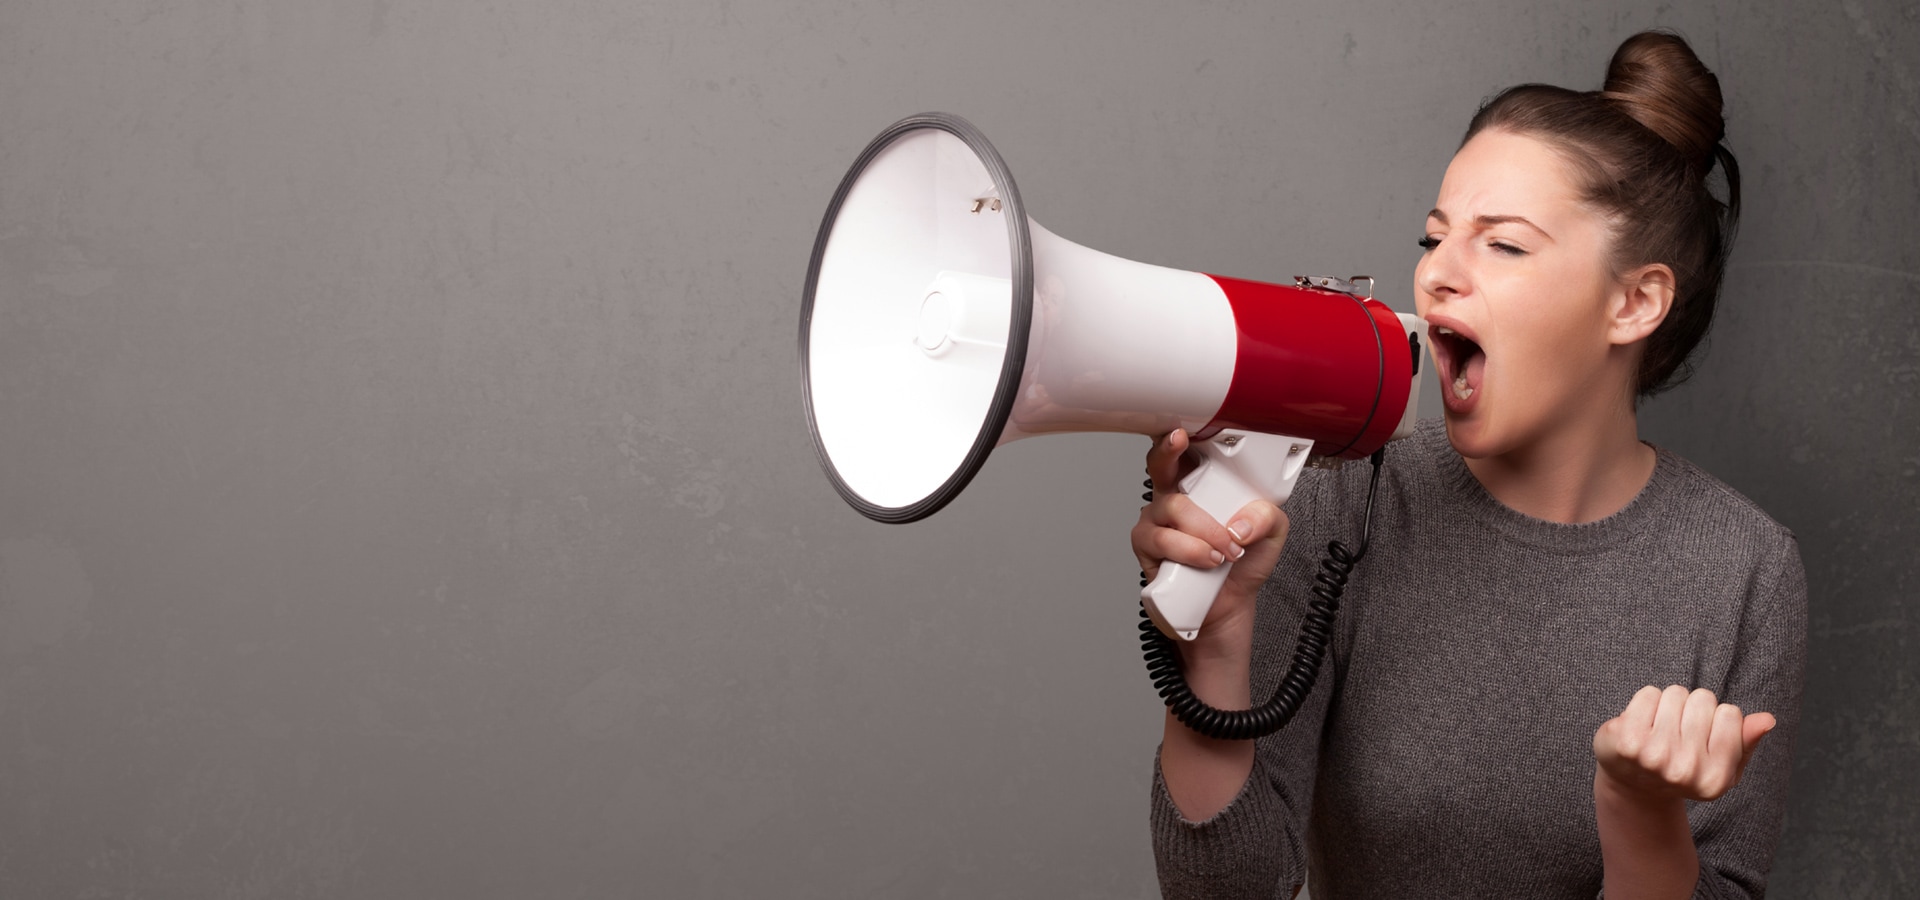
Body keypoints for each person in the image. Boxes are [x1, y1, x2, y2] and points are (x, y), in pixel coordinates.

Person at [1133, 31, 1806, 899]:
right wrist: (1217, 651)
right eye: (1434, 238)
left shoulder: (1743, 569)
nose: (1435, 277)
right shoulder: (1343, 501)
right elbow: (1225, 890)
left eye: (1505, 246)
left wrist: (1641, 815)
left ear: (1634, 302)